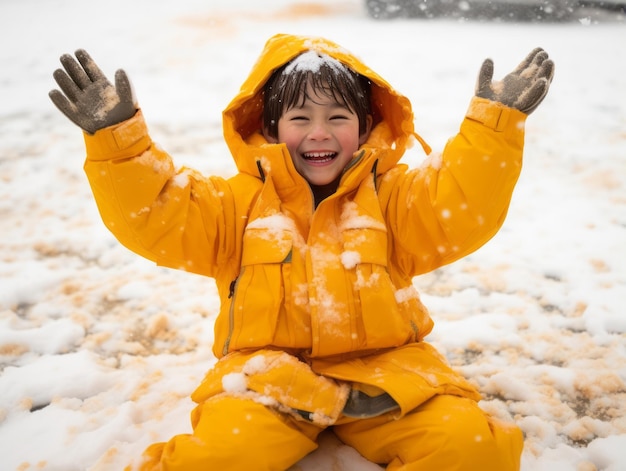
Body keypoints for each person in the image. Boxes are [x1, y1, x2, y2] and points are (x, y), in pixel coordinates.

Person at [49, 34, 554, 470]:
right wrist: (117, 143)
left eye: (338, 116)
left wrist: (493, 126)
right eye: (300, 117)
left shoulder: (395, 198)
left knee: (470, 450)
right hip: (267, 380)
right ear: (268, 130)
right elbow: (159, 213)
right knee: (223, 457)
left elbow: (461, 204)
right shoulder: (233, 205)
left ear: (364, 128)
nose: (319, 132)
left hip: (388, 377)